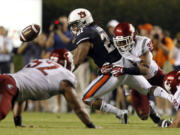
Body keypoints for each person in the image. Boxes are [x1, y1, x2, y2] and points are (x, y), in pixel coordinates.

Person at [68, 8, 172, 125]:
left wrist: (67, 71)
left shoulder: (85, 32)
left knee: (86, 97)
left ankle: (119, 112)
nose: (74, 28)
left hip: (113, 71)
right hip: (124, 65)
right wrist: (68, 54)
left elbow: (79, 58)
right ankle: (160, 117)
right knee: (147, 91)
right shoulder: (96, 29)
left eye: (75, 25)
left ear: (83, 22)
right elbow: (81, 51)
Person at [0, 48, 97, 128]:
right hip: (10, 85)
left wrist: (18, 123)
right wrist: (90, 125)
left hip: (6, 78)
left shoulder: (39, 61)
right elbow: (77, 107)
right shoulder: (65, 74)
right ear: (67, 62)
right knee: (2, 112)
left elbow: (21, 95)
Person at [109, 22, 172, 126]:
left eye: (124, 41)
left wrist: (123, 70)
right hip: (137, 79)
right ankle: (159, 121)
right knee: (143, 114)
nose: (122, 44)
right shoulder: (115, 49)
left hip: (154, 75)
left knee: (174, 90)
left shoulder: (142, 42)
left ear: (132, 37)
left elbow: (145, 69)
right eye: (119, 42)